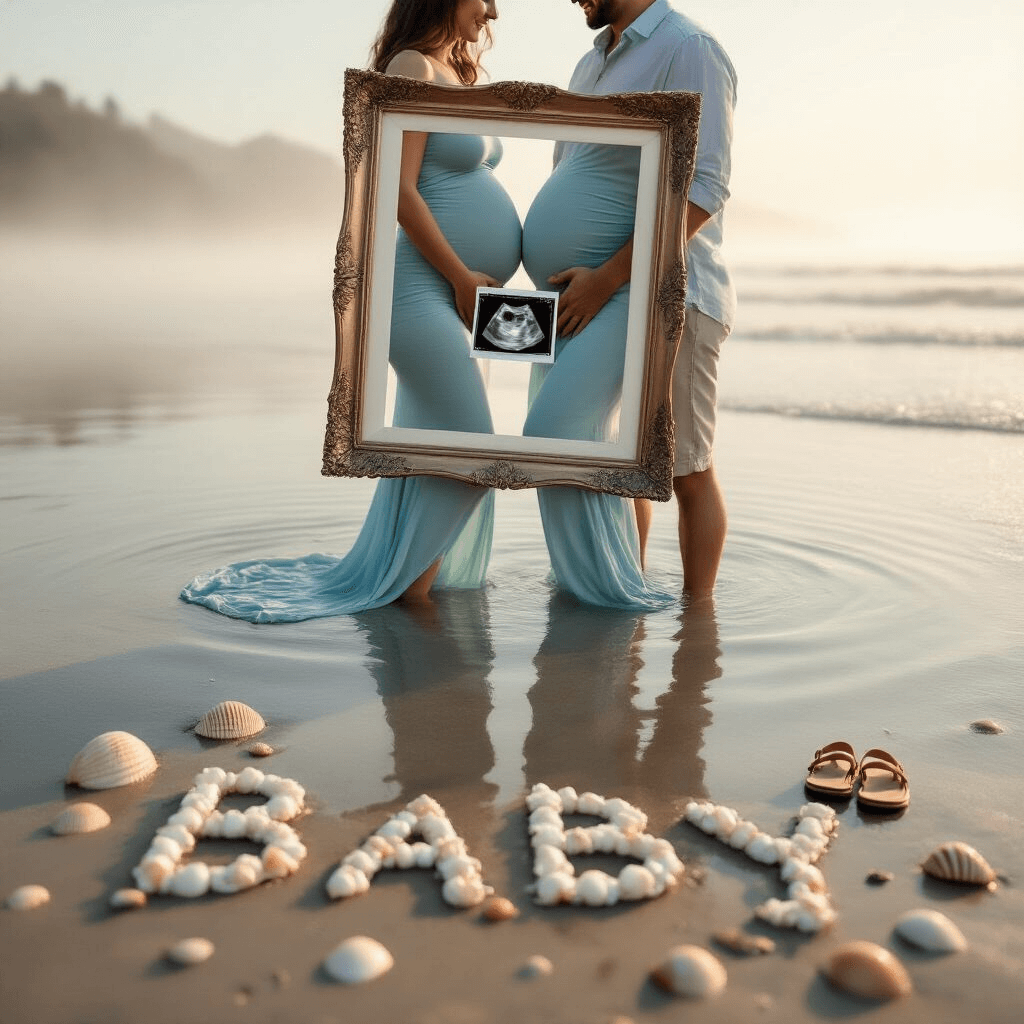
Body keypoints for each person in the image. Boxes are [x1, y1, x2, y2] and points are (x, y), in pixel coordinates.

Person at [180, 0, 519, 622]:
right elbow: (397, 188)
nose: (494, 9)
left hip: (466, 298)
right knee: (476, 457)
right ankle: (405, 606)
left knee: (438, 458)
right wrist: (460, 278)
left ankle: (413, 598)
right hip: (422, 291)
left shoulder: (458, 73)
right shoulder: (413, 66)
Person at [558, 0, 737, 601]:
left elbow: (704, 190)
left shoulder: (689, 49)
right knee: (623, 460)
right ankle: (625, 599)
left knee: (684, 464)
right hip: (598, 298)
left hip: (674, 295)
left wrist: (607, 277)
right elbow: (570, 175)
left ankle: (698, 620)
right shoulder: (591, 66)